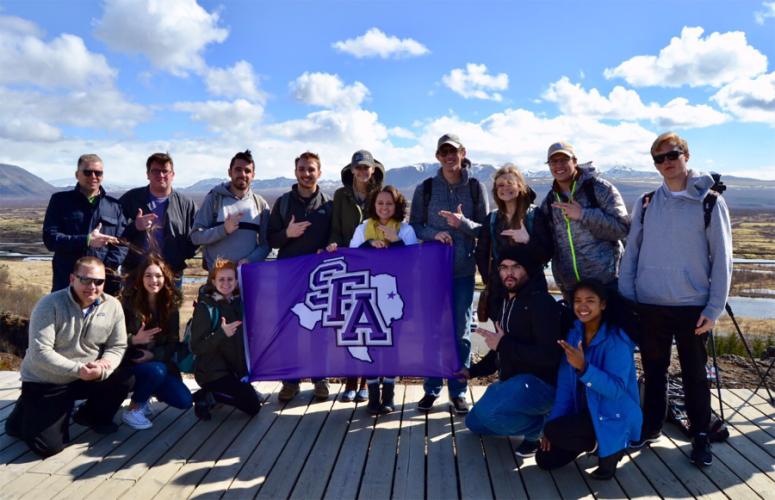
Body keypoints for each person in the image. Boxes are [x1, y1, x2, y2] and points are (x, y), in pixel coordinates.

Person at [619, 132, 732, 467]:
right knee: (654, 372)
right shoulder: (646, 202)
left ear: (687, 155)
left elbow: (722, 259)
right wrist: (628, 298)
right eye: (659, 158)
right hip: (650, 304)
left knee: (695, 375)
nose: (666, 162)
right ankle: (651, 426)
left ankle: (700, 435)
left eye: (672, 155)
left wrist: (713, 309)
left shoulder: (711, 202)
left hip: (692, 307)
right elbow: (632, 252)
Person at [5, 257, 132, 457]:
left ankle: (90, 416)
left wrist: (103, 367)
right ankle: (21, 415)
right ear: (72, 278)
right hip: (48, 380)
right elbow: (40, 353)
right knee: (49, 447)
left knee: (125, 378)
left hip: (88, 375)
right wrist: (78, 370)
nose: (92, 286)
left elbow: (117, 345)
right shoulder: (49, 305)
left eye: (98, 281)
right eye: (85, 280)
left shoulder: (113, 306)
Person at [409, 133, 488, 415]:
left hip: (464, 271)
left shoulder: (476, 188)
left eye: (453, 151)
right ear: (437, 156)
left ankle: (458, 390)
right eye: (444, 152)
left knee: (460, 332)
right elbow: (415, 226)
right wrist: (435, 232)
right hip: (432, 271)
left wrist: (461, 222)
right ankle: (431, 389)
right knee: (432, 332)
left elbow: (484, 229)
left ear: (463, 153)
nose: (449, 156)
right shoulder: (426, 188)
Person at [462, 247, 565, 457]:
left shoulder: (542, 303)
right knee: (473, 422)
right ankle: (515, 409)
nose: (509, 273)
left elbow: (550, 356)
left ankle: (539, 428)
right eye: (504, 267)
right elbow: (499, 350)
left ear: (528, 271)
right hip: (512, 383)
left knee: (491, 415)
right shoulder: (505, 302)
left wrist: (504, 345)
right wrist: (470, 372)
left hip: (542, 385)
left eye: (516, 267)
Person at [536, 279, 641, 481]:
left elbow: (617, 390)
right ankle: (594, 442)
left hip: (613, 414)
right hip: (586, 411)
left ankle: (609, 445)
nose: (582, 306)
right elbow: (565, 389)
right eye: (577, 301)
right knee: (545, 458)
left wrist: (584, 368)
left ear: (602, 304)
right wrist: (551, 428)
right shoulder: (574, 333)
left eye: (590, 300)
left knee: (558, 432)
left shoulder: (616, 339)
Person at [268, 151, 333, 402]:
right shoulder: (283, 203)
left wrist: (328, 246)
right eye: (302, 169)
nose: (306, 174)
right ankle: (290, 381)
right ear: (295, 171)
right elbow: (271, 238)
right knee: (290, 329)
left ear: (319, 172)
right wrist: (288, 233)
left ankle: (320, 379)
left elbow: (335, 235)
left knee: (319, 329)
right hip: (288, 275)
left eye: (311, 169)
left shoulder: (329, 204)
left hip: (320, 278)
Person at [349, 185, 418, 414]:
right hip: (367, 296)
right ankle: (372, 396)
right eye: (380, 203)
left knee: (391, 345)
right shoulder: (362, 229)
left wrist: (396, 241)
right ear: (373, 205)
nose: (384, 207)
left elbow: (414, 262)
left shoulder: (406, 230)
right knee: (368, 344)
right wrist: (368, 245)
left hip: (394, 297)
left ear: (397, 205)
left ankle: (388, 395)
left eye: (389, 203)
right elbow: (351, 256)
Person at [536, 142, 629, 300]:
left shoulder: (600, 189)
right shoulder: (550, 201)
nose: (558, 165)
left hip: (607, 284)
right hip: (572, 289)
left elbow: (622, 229)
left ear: (575, 161)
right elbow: (550, 245)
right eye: (553, 161)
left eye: (564, 159)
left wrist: (584, 215)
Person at [327, 149, 385, 403]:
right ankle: (350, 381)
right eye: (358, 167)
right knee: (348, 325)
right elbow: (335, 228)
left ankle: (366, 382)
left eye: (366, 167)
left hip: (375, 267)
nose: (362, 172)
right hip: (348, 266)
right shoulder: (341, 196)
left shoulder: (380, 195)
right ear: (351, 170)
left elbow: (390, 222)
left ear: (373, 169)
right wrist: (333, 245)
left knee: (371, 324)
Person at [120, 256, 193, 430]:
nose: (154, 280)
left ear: (165, 278)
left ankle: (144, 396)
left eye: (158, 276)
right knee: (156, 370)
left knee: (184, 401)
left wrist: (153, 355)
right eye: (148, 276)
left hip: (158, 363)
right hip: (129, 363)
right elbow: (111, 339)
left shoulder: (170, 307)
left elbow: (173, 343)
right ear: (140, 278)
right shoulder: (127, 304)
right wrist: (134, 340)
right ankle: (134, 409)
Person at [43, 154, 127, 295]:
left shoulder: (114, 206)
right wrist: (86, 240)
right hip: (67, 282)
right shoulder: (60, 201)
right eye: (87, 172)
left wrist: (101, 270)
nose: (93, 176)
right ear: (77, 174)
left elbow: (122, 244)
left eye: (98, 173)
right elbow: (50, 239)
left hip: (103, 285)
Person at [190, 258, 262, 419]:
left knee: (249, 399)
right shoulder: (205, 307)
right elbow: (196, 347)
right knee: (252, 406)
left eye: (230, 279)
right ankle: (206, 396)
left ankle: (217, 394)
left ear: (236, 281)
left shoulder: (238, 302)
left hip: (233, 370)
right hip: (212, 372)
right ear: (213, 281)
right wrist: (221, 334)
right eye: (221, 279)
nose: (226, 283)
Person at [475, 164, 544, 319]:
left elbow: (547, 252)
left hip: (532, 288)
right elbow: (481, 253)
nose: (505, 188)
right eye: (500, 185)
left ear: (520, 186)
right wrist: (491, 280)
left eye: (510, 183)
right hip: (500, 291)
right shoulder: (492, 219)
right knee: (501, 338)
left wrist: (527, 240)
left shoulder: (535, 215)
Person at [119, 153, 198, 284]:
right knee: (133, 305)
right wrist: (135, 227)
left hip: (171, 272)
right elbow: (114, 232)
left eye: (165, 171)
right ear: (147, 174)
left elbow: (197, 233)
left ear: (173, 175)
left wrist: (181, 255)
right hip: (135, 271)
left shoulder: (186, 204)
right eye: (155, 171)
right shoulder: (131, 199)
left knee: (169, 305)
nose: (160, 175)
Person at [191, 150, 271, 270]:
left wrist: (250, 260)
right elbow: (196, 236)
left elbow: (266, 245)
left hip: (246, 276)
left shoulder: (260, 205)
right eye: (238, 169)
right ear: (230, 172)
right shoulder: (214, 199)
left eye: (247, 171)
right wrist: (223, 230)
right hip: (217, 279)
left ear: (253, 175)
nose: (243, 174)